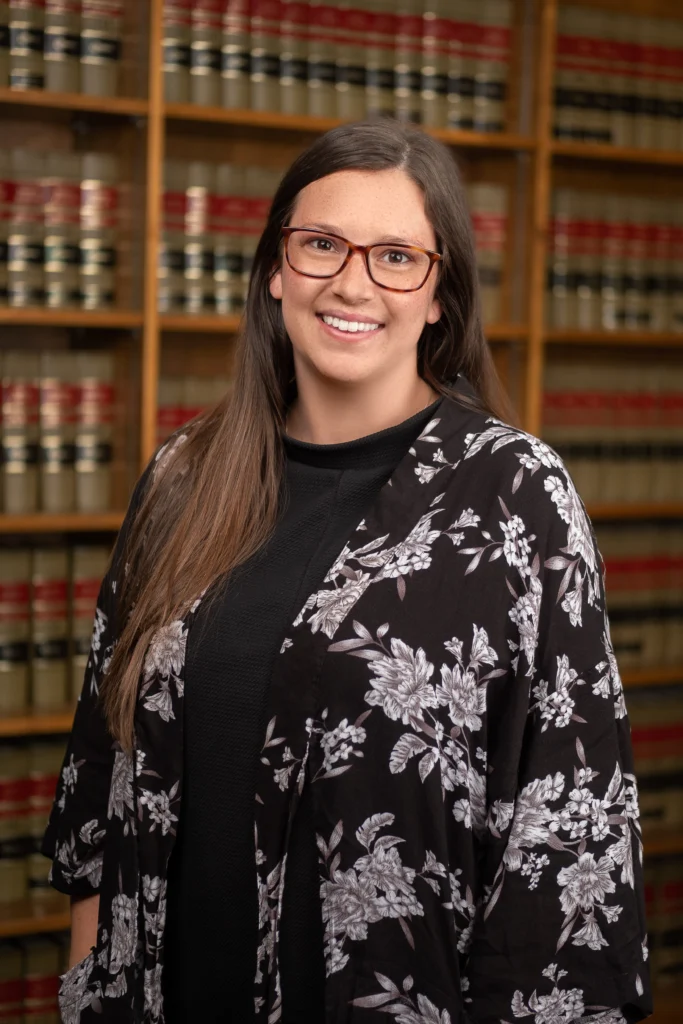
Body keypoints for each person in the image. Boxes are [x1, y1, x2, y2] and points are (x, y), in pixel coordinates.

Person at [42, 119, 651, 1024]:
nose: (352, 281)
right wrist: (85, 996)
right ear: (276, 270)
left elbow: (569, 826)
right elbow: (100, 779)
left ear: (439, 292)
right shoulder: (182, 477)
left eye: (396, 256)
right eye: (321, 244)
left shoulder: (515, 494)